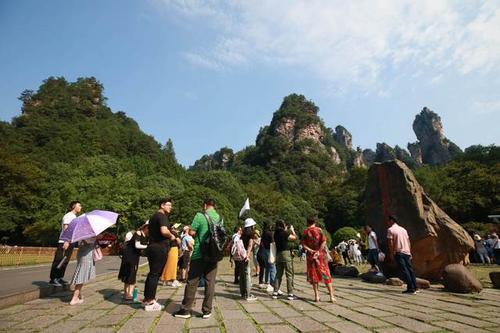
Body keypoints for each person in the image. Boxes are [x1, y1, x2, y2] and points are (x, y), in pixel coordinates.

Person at [174, 199, 222, 319]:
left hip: (199, 254)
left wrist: (192, 230)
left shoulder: (200, 216)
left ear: (205, 205)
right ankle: (207, 310)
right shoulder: (220, 218)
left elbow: (192, 232)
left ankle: (185, 310)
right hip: (213, 255)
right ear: (214, 206)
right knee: (210, 282)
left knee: (192, 282)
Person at [143, 198, 176, 311]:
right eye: (168, 205)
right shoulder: (162, 216)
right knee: (155, 274)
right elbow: (164, 231)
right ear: (162, 205)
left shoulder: (153, 217)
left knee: (152, 273)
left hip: (152, 246)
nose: (170, 207)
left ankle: (147, 299)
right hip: (159, 248)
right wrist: (172, 236)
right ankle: (150, 302)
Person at [301, 217, 335, 303]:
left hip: (311, 256)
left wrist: (311, 251)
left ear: (307, 222)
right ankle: (331, 296)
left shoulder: (305, 232)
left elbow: (303, 245)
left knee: (313, 275)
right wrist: (318, 251)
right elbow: (324, 242)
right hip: (321, 256)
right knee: (326, 274)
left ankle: (317, 296)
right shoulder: (319, 230)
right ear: (315, 222)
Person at [49, 201, 81, 287]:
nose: (80, 207)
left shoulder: (74, 217)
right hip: (64, 241)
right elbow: (66, 228)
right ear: (74, 206)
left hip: (71, 242)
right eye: (79, 205)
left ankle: (59, 277)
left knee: (65, 260)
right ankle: (53, 278)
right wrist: (66, 241)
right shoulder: (68, 216)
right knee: (59, 259)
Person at [387, 215, 418, 294]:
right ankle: (415, 287)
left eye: (389, 221)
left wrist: (391, 253)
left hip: (398, 252)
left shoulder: (390, 230)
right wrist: (409, 251)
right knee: (410, 270)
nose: (388, 222)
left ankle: (410, 288)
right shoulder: (403, 229)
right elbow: (408, 241)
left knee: (404, 270)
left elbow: (390, 242)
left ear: (392, 221)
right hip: (406, 251)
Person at [118, 222, 149, 301]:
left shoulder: (146, 236)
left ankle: (128, 293)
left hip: (135, 256)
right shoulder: (138, 233)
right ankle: (128, 294)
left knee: (132, 273)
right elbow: (137, 245)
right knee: (129, 273)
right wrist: (148, 246)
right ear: (145, 227)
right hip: (129, 255)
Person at [68, 234, 102, 305]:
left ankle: (78, 295)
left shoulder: (81, 231)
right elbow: (99, 237)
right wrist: (98, 236)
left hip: (81, 250)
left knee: (81, 272)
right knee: (81, 275)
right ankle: (74, 298)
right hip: (87, 251)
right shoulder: (91, 231)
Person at [272, 219, 297, 300]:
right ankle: (290, 293)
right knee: (289, 274)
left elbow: (282, 236)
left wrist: (286, 229)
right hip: (286, 254)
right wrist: (292, 230)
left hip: (278, 255)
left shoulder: (275, 233)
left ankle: (275, 292)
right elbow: (294, 238)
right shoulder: (285, 233)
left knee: (278, 274)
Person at [239, 218, 258, 301]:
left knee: (242, 275)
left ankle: (243, 293)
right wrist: (247, 256)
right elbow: (250, 246)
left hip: (240, 256)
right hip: (246, 256)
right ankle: (248, 294)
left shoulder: (242, 234)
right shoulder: (251, 234)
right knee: (247, 275)